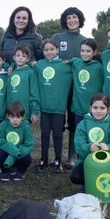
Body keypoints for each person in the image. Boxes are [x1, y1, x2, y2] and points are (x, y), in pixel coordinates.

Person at [70, 94, 110, 193]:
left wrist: (109, 148)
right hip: (86, 162)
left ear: (108, 109)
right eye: (95, 107)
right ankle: (89, 182)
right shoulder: (82, 124)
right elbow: (79, 147)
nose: (98, 111)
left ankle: (104, 181)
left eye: (102, 108)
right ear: (90, 108)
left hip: (108, 164)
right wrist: (89, 147)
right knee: (75, 177)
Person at [50, 7, 86, 168]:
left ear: (80, 20)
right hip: (57, 87)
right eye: (69, 17)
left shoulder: (84, 40)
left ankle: (72, 155)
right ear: (65, 20)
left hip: (76, 88)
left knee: (74, 121)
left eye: (75, 17)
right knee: (56, 120)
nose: (72, 20)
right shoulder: (57, 37)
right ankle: (55, 155)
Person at [35, 39, 72, 174]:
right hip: (44, 108)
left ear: (57, 50)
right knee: (44, 134)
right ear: (43, 52)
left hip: (59, 109)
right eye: (46, 50)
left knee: (58, 135)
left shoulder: (65, 65)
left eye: (52, 49)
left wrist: (74, 60)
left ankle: (57, 160)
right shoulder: (39, 65)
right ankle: (43, 159)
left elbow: (80, 66)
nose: (49, 52)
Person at [0, 102, 34, 181]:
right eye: (12, 117)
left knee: (27, 159)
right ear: (8, 116)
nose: (15, 120)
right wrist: (14, 150)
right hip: (6, 153)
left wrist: (15, 154)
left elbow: (29, 145)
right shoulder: (2, 125)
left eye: (18, 117)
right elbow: (0, 141)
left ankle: (20, 172)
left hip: (20, 154)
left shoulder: (26, 127)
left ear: (23, 117)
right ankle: (5, 172)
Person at [71, 39, 104, 128]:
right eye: (82, 51)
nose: (84, 53)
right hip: (78, 108)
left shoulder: (99, 67)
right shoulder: (76, 63)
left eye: (88, 51)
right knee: (80, 132)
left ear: (94, 52)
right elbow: (67, 62)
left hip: (94, 109)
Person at [6, 44, 40, 125]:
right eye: (18, 55)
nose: (20, 58)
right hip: (11, 114)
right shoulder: (11, 73)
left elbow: (34, 93)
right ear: (14, 57)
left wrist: (35, 111)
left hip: (25, 114)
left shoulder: (31, 72)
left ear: (28, 59)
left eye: (23, 56)